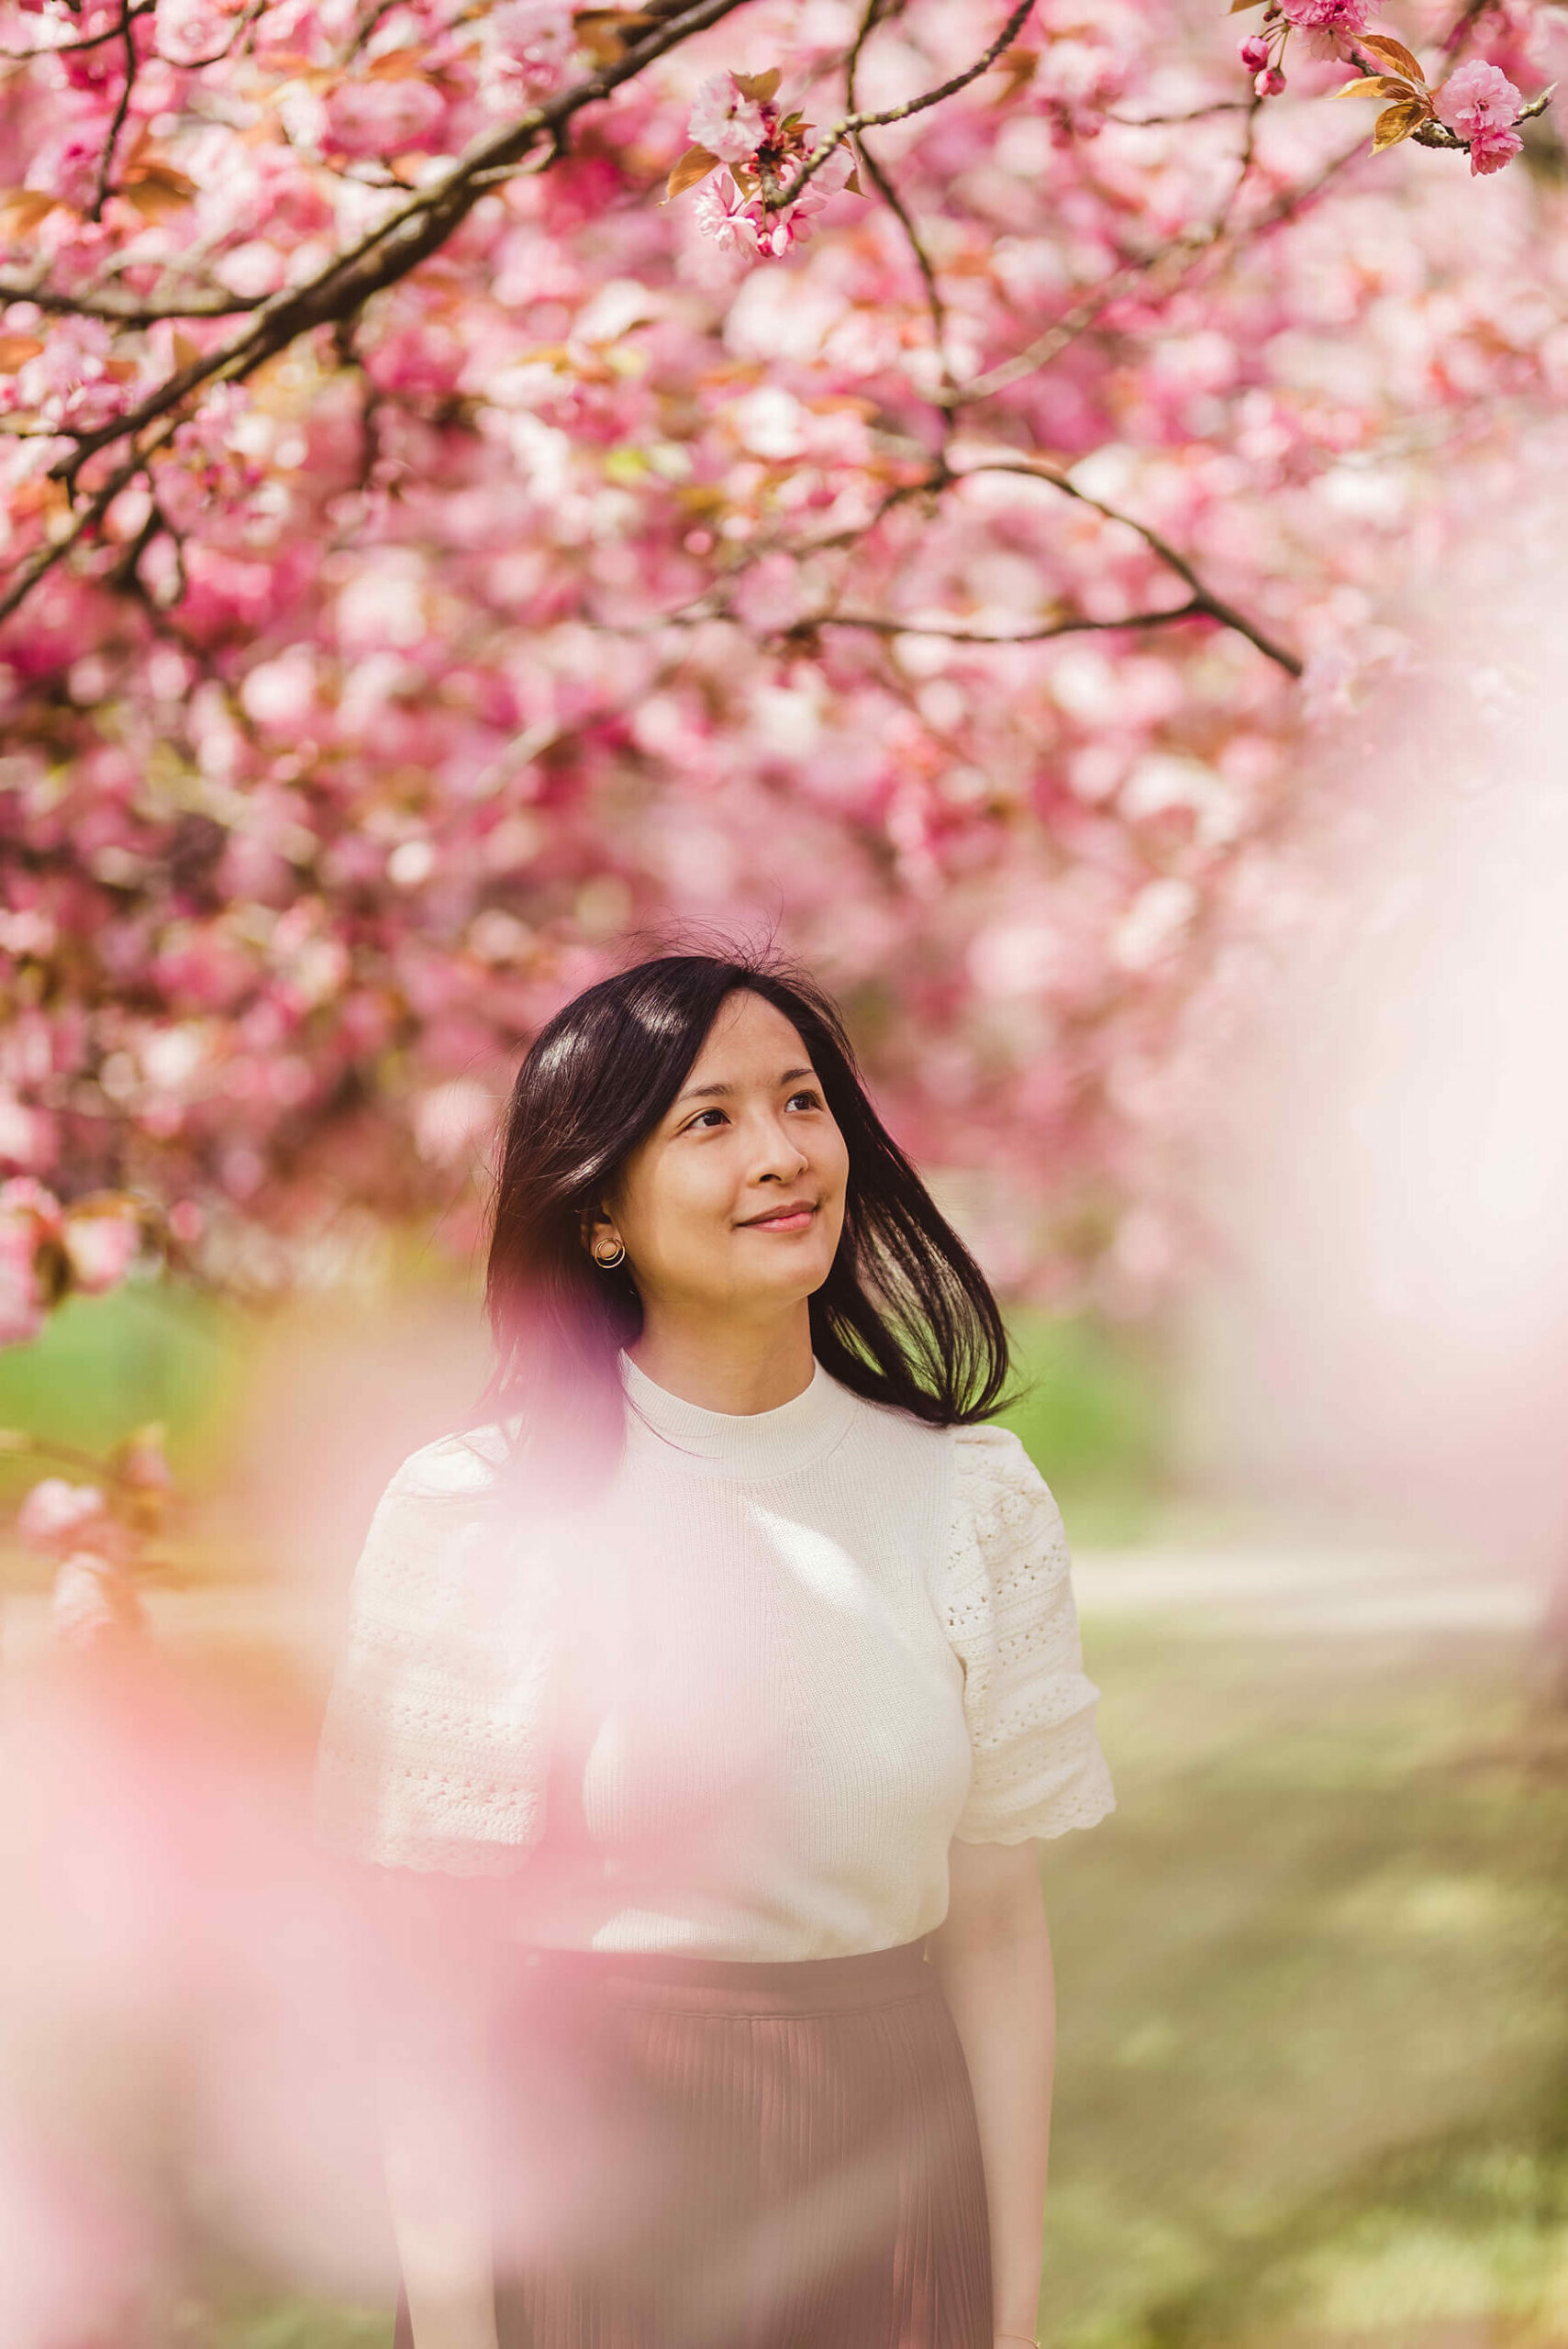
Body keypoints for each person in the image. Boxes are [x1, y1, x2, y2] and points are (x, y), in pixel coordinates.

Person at [312, 945, 1117, 2349]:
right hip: (593, 2205)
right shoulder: (480, 1511)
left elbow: (995, 1934)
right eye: (709, 1119)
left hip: (889, 2174)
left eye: (802, 1102)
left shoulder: (968, 1497)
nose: (781, 1153)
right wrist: (451, 2326)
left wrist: (1010, 2302)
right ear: (601, 1213)